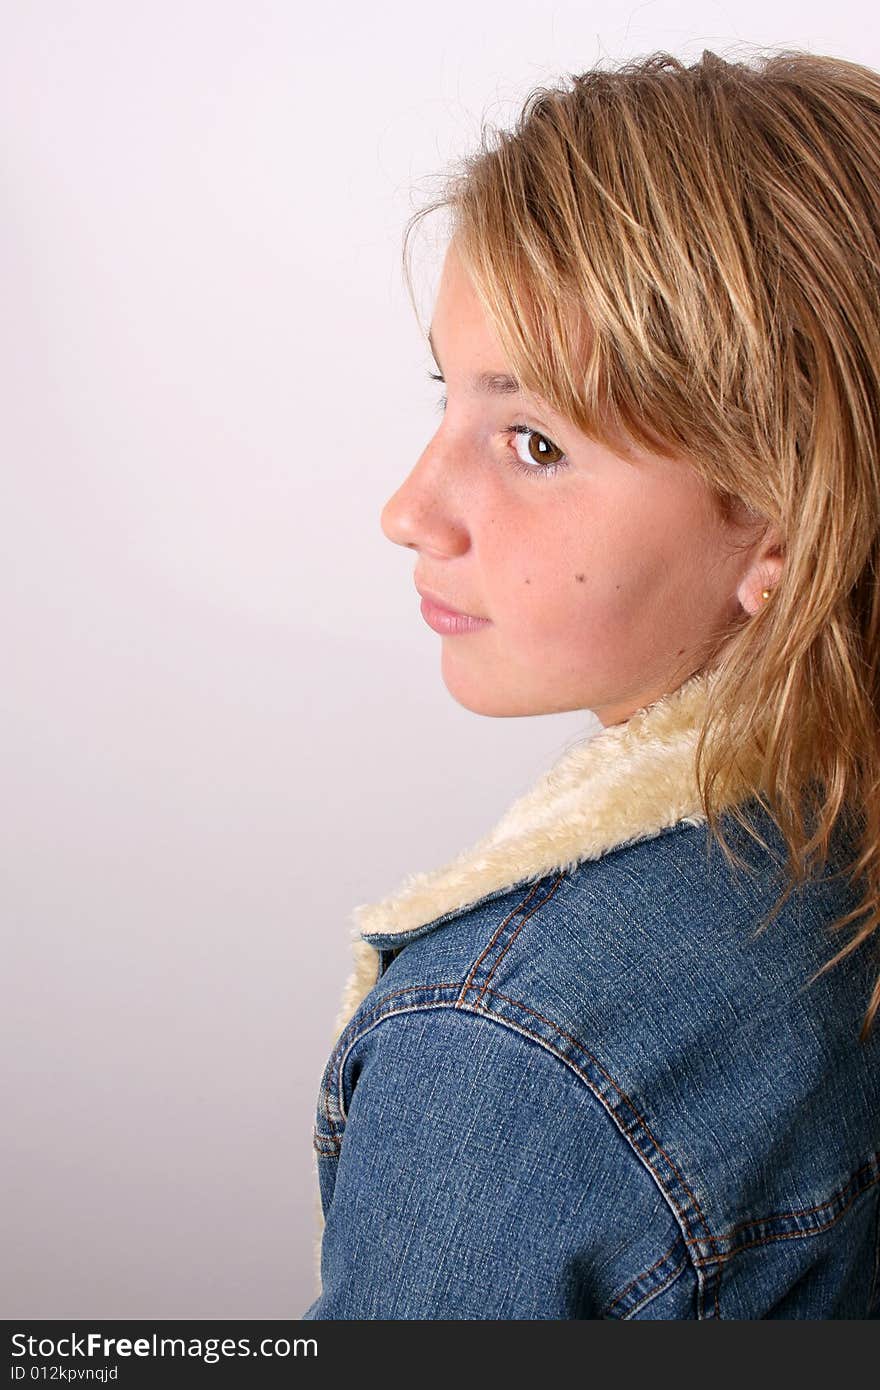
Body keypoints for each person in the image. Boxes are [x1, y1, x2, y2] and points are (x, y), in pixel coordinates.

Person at [301, 47, 880, 1319]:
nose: (410, 510)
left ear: (780, 524)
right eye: (444, 397)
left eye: (533, 441)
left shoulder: (513, 1051)